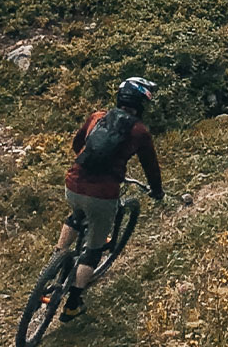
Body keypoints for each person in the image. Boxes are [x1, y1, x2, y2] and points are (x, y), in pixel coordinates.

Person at [53, 76, 164, 323]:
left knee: (76, 214)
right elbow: (151, 167)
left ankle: (56, 258)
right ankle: (72, 305)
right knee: (93, 251)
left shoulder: (97, 117)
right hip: (102, 195)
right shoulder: (140, 132)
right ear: (141, 104)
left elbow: (77, 144)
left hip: (73, 183)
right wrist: (157, 190)